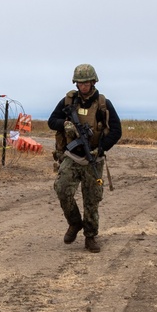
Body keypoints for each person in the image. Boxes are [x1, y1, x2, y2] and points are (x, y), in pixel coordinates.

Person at [48, 64, 122, 253]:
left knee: (92, 200)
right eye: (80, 83)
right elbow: (51, 121)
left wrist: (101, 148)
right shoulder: (68, 102)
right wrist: (66, 125)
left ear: (93, 82)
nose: (83, 86)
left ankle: (90, 236)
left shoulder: (103, 103)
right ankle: (74, 223)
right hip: (72, 156)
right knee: (62, 189)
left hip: (93, 159)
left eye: (86, 82)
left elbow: (116, 130)